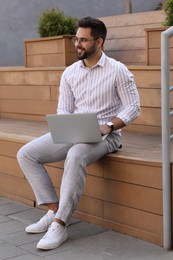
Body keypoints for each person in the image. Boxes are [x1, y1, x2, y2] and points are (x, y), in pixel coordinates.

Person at [17, 16, 140, 250]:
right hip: (75, 130)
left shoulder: (118, 70)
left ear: (99, 41)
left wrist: (110, 126)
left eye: (84, 40)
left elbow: (133, 107)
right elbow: (63, 108)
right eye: (76, 38)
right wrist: (66, 125)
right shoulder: (70, 72)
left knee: (75, 156)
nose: (77, 44)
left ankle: (61, 224)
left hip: (108, 134)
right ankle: (53, 211)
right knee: (26, 154)